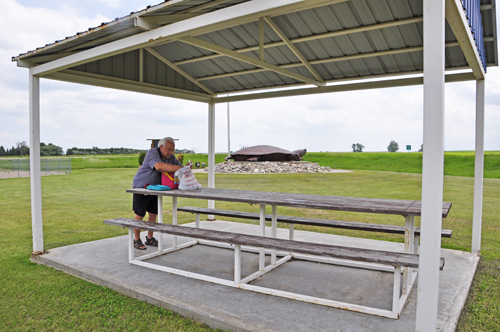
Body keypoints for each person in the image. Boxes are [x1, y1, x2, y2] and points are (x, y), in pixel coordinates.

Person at [132, 137, 182, 250]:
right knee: (140, 214)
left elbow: (180, 169)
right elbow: (159, 166)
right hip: (142, 186)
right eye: (168, 149)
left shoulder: (171, 157)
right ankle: (136, 239)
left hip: (156, 188)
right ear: (161, 147)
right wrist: (181, 168)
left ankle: (150, 238)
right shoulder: (152, 153)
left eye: (172, 150)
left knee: (153, 213)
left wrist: (184, 168)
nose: (170, 152)